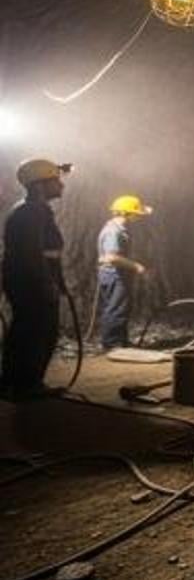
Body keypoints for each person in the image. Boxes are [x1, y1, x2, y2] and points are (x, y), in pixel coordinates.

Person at [1, 159, 71, 400]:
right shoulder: (31, 211)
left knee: (26, 331)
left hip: (28, 280)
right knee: (36, 333)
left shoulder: (30, 209)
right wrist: (47, 284)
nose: (61, 185)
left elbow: (44, 252)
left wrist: (57, 281)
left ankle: (16, 383)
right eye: (56, 180)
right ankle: (27, 386)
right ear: (40, 185)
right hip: (31, 283)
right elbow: (31, 253)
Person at [96, 195, 153, 349]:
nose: (139, 216)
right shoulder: (114, 232)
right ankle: (112, 344)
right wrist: (136, 266)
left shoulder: (118, 230)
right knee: (117, 308)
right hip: (114, 275)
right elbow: (112, 257)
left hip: (115, 274)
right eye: (137, 213)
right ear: (127, 213)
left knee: (119, 307)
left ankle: (120, 341)